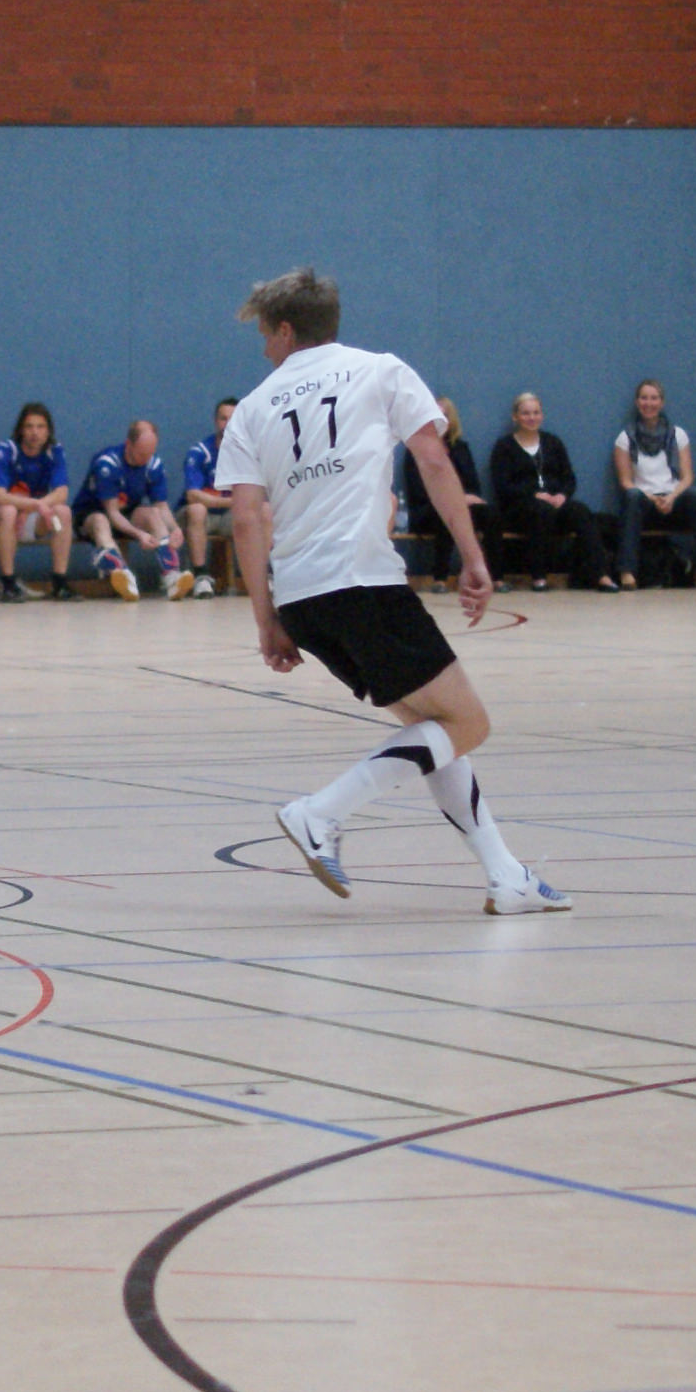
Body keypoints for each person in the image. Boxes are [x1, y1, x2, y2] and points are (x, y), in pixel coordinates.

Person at [222, 269, 568, 919]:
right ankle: (319, 813)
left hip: (301, 598)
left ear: (288, 330)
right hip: (362, 582)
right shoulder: (381, 371)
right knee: (468, 723)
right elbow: (433, 460)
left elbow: (245, 519)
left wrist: (266, 621)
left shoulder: (252, 408)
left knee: (431, 729)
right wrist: (471, 555)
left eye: (265, 335)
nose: (264, 349)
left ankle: (506, 875)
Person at [490, 392, 608, 594]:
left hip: (555, 504)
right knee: (540, 511)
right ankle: (539, 576)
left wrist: (562, 495)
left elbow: (569, 479)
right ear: (515, 417)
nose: (531, 417)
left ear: (542, 415)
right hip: (521, 508)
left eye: (536, 412)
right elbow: (502, 485)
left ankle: (601, 574)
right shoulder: (505, 446)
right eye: (526, 413)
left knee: (580, 511)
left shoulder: (553, 443)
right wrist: (533, 494)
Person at [608, 381, 696, 591]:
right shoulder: (625, 438)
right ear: (637, 402)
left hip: (674, 500)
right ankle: (627, 572)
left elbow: (687, 477)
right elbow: (626, 482)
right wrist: (653, 499)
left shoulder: (678, 435)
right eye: (644, 398)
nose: (649, 403)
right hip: (644, 503)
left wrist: (671, 497)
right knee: (632, 496)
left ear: (661, 402)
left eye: (654, 398)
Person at [77, 419, 189, 599]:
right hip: (93, 515)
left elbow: (161, 505)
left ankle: (171, 576)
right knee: (100, 521)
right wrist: (139, 534)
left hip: (127, 513)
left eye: (150, 453)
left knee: (153, 513)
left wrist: (175, 529)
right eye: (141, 454)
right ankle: (123, 575)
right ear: (128, 444)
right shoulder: (108, 464)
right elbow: (112, 512)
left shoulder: (153, 465)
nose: (146, 459)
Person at [398, 397, 493, 591]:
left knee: (490, 515)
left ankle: (494, 575)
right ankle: (440, 577)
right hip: (427, 509)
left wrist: (463, 499)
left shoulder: (461, 448)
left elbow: (473, 485)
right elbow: (417, 491)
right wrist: (455, 500)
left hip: (464, 504)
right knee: (446, 513)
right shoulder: (415, 449)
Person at [0, 402, 78, 601]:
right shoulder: (6, 450)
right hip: (0, 520)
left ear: (48, 431)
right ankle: (8, 583)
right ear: (21, 430)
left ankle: (59, 583)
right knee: (9, 511)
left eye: (40, 427)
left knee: (63, 512)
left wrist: (33, 508)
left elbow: (62, 492)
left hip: (32, 518)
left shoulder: (54, 451)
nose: (34, 432)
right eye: (29, 426)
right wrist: (35, 505)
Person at [178, 397, 238, 597]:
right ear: (215, 421)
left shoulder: (248, 453)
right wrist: (232, 501)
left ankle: (268, 574)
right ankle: (201, 577)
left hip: (230, 516)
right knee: (197, 509)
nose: (227, 424)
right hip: (198, 518)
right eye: (223, 418)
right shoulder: (200, 452)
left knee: (264, 510)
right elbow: (193, 495)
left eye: (233, 419)